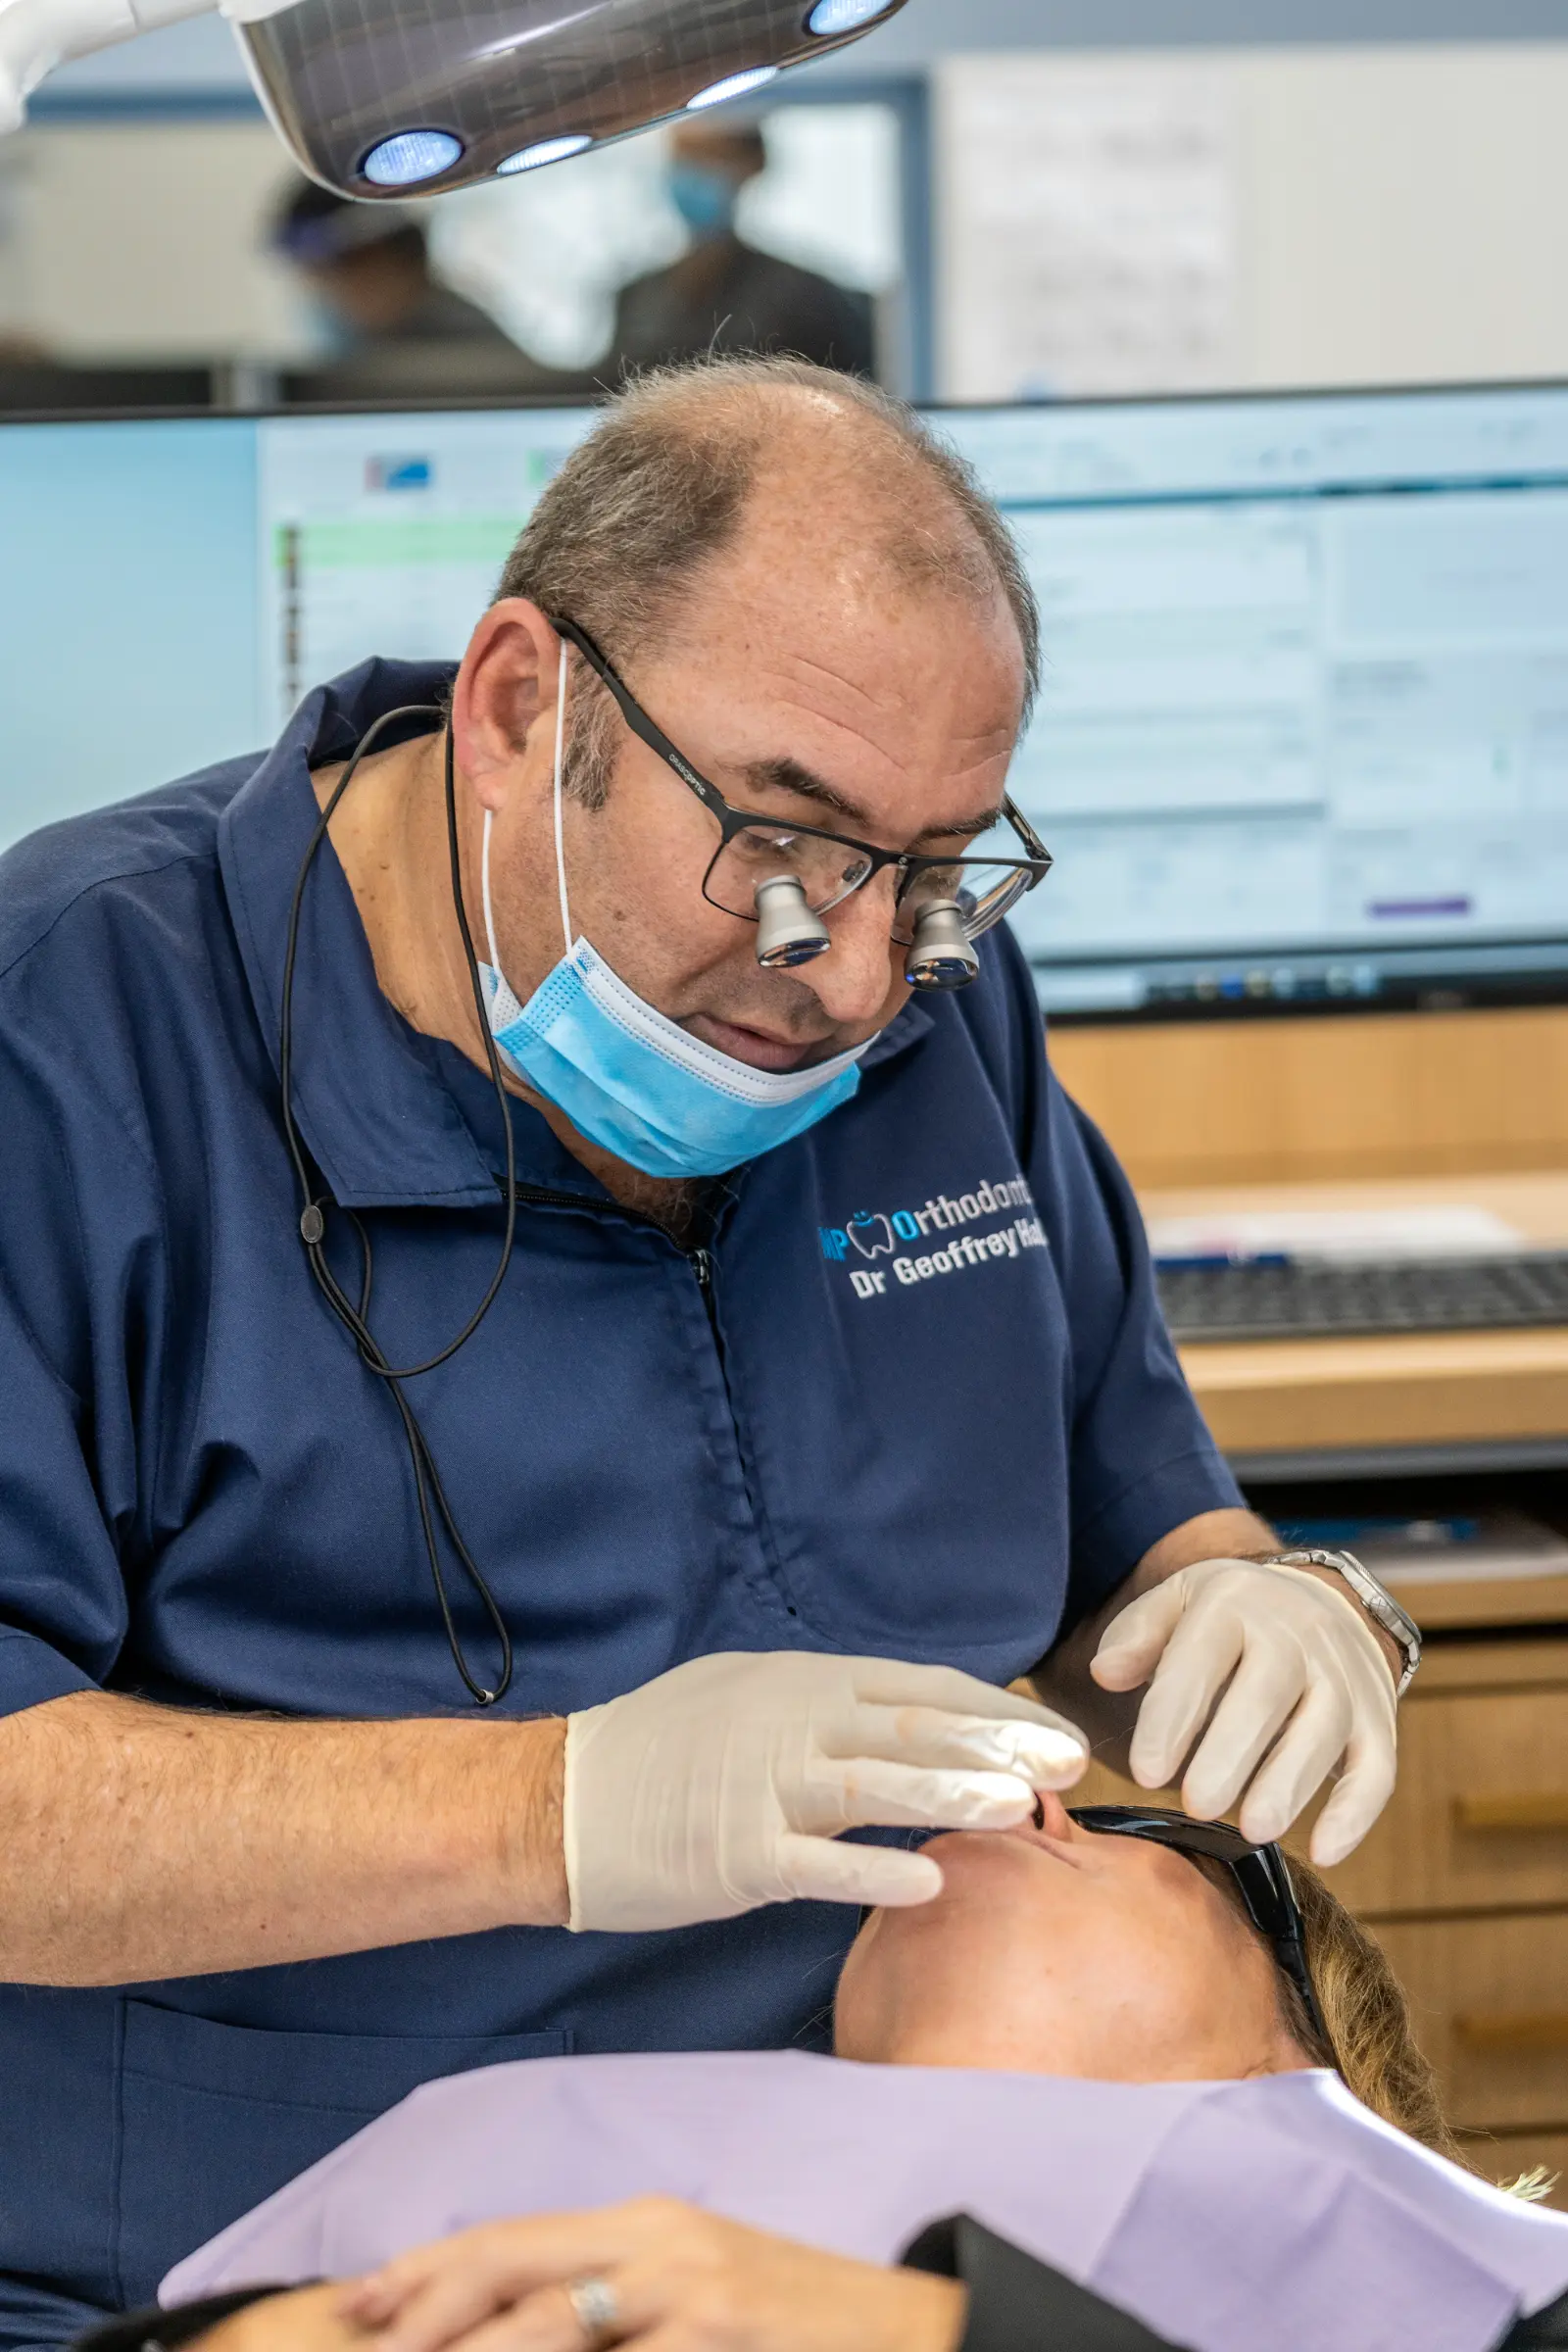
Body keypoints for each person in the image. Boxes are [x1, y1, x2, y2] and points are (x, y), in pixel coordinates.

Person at [0, 355, 1414, 2346]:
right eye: (780, 834)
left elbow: (1134, 1540)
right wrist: (549, 1814)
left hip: (826, 2273)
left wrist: (1264, 1603)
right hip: (258, 2284)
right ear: (514, 710)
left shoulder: (929, 1006)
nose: (845, 966)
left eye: (929, 871)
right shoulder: (67, 1048)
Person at [142, 1803, 1568, 2352]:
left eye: (1157, 1840)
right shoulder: (531, 2149)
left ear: (1302, 2053)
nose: (1029, 1796)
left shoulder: (1437, 2264)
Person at [607, 122, 875, 378]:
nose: (688, 173)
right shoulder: (638, 295)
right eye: (680, 159)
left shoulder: (801, 296)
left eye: (705, 157)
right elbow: (612, 382)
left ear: (749, 166)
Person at [269, 181, 560, 401]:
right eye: (318, 280)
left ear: (395, 255)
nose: (333, 296)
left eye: (339, 272)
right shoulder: (347, 348)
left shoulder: (471, 347)